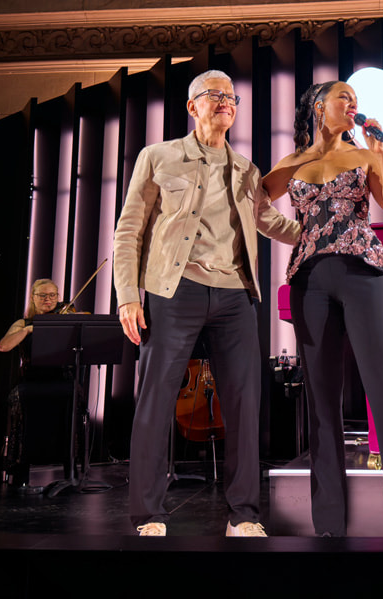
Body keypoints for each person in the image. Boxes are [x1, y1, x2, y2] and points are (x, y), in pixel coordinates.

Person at [113, 69, 300, 537]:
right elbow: (128, 230)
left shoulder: (246, 170)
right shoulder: (158, 156)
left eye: (231, 96)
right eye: (214, 95)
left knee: (243, 402)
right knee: (156, 400)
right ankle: (148, 513)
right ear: (193, 106)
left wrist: (324, 234)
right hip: (172, 290)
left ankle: (244, 515)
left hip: (236, 295)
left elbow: (270, 223)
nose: (225, 102)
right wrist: (126, 297)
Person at [262, 80, 383, 537]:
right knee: (320, 402)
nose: (352, 103)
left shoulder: (365, 153)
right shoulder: (292, 163)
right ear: (320, 107)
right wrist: (291, 235)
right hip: (309, 283)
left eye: (355, 99)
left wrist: (380, 151)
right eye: (343, 97)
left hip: (364, 274)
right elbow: (252, 203)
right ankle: (329, 527)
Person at [0, 278, 74, 489]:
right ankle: (20, 468)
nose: (48, 300)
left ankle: (72, 469)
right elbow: (4, 346)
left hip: (62, 379)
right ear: (33, 298)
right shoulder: (23, 323)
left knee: (73, 395)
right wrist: (30, 329)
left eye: (52, 296)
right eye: (42, 296)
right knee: (23, 397)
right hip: (31, 380)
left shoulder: (65, 319)